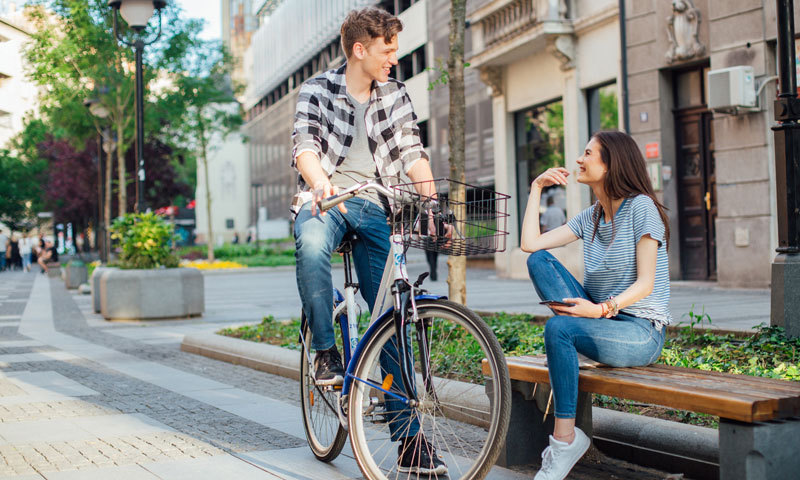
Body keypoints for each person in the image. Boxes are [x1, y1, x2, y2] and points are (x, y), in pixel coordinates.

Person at [291, 7, 445, 475]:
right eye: (388, 49)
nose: (394, 58)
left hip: (378, 204)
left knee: (393, 316)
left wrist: (433, 201)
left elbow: (412, 152)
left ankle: (409, 443)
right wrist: (320, 184)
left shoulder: (395, 93)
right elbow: (305, 147)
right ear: (360, 50)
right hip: (330, 200)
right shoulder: (317, 89)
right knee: (313, 246)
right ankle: (324, 352)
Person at [520, 131, 671, 480]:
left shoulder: (641, 208)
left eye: (588, 153)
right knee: (539, 261)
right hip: (601, 318)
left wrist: (600, 310)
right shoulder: (592, 216)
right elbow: (529, 243)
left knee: (558, 329)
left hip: (640, 331)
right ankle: (580, 341)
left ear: (610, 163)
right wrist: (535, 189)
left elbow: (646, 283)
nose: (578, 160)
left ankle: (565, 440)